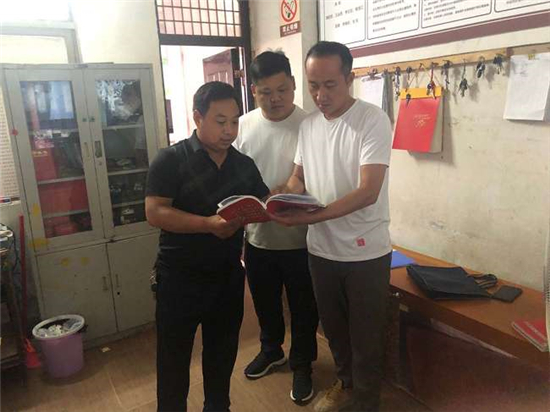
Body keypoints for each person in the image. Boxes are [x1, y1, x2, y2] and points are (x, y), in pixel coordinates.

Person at [270, 41, 393, 412]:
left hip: (365, 251)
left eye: (329, 85)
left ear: (349, 78)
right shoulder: (309, 125)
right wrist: (285, 195)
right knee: (334, 330)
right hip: (321, 251)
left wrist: (312, 216)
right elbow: (299, 176)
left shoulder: (372, 120)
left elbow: (368, 192)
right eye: (313, 86)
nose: (320, 95)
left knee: (366, 336)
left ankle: (367, 402)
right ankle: (346, 384)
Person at [145, 81, 270, 412]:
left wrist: (284, 205)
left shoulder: (243, 165)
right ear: (197, 117)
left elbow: (263, 201)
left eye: (235, 121)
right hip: (179, 277)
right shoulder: (170, 160)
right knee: (173, 360)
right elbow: (155, 212)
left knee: (221, 354)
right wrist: (207, 224)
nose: (229, 130)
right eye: (220, 121)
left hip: (227, 276)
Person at [234, 51, 319, 403]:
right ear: (253, 91)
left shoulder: (312, 124)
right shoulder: (242, 126)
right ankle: (272, 350)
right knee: (265, 302)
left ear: (294, 85)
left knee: (303, 307)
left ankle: (302, 364)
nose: (275, 99)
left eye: (282, 90)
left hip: (303, 239)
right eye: (266, 92)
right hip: (258, 237)